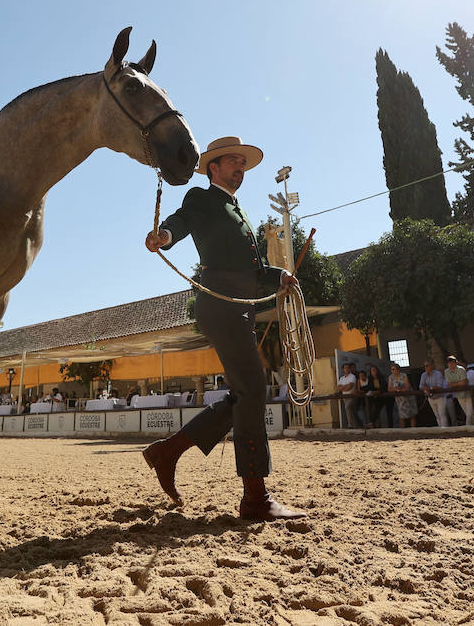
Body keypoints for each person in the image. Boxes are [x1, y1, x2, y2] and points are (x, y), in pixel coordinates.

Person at [141, 136, 305, 520]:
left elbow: (252, 271)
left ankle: (167, 452)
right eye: (233, 162)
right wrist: (165, 235)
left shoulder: (238, 211)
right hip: (220, 305)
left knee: (245, 393)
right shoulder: (202, 198)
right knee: (254, 389)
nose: (240, 169)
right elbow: (181, 221)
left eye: (242, 163)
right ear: (213, 168)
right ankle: (255, 499)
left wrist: (280, 276)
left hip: (239, 308)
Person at [419, 358, 451, 427]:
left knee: (442, 414)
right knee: (437, 415)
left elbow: (439, 386)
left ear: (432, 366)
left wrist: (429, 388)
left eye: (427, 365)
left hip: (440, 397)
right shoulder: (424, 375)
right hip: (431, 398)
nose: (425, 367)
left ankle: (445, 430)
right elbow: (421, 386)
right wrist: (428, 389)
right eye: (424, 366)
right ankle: (440, 429)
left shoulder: (438, 374)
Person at [444, 356, 474, 426]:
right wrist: (459, 383)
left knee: (469, 414)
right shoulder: (446, 372)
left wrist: (454, 384)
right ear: (447, 364)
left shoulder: (461, 369)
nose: (451, 364)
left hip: (468, 394)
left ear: (456, 363)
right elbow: (450, 384)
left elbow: (464, 383)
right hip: (458, 395)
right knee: (468, 414)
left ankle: (468, 428)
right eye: (449, 363)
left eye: (453, 362)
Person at [388, 362, 416, 428]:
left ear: (398, 369)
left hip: (409, 398)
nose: (392, 371)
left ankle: (413, 430)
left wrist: (400, 390)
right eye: (392, 369)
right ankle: (403, 431)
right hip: (399, 400)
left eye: (394, 369)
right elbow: (389, 389)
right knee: (401, 416)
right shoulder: (391, 377)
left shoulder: (404, 375)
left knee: (412, 415)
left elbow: (407, 387)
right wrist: (396, 390)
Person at [336, 361, 362, 428]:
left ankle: (350, 425)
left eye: (348, 368)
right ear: (343, 369)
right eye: (345, 368)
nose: (346, 369)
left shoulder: (352, 376)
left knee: (347, 407)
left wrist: (343, 387)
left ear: (350, 369)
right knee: (351, 411)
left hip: (352, 396)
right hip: (345, 397)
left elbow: (350, 386)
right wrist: (345, 386)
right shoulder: (342, 378)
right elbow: (338, 388)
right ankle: (358, 425)